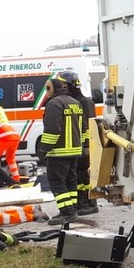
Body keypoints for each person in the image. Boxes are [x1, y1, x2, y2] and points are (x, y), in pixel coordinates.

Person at [40, 75, 84, 225]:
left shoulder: (54, 104)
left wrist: (43, 150)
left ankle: (66, 212)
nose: (46, 93)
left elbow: (52, 130)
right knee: (71, 181)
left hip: (59, 152)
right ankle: (72, 210)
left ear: (51, 88)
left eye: (47, 89)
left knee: (57, 181)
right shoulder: (76, 103)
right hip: (75, 151)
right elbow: (83, 128)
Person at [60, 70, 99, 216]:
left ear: (71, 85)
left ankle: (91, 203)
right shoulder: (73, 102)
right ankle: (81, 203)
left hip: (85, 146)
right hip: (77, 146)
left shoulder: (85, 102)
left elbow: (89, 125)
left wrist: (87, 146)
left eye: (64, 85)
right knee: (77, 176)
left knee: (84, 176)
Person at [0, 105, 22, 187]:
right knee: (10, 159)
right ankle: (16, 179)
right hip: (15, 135)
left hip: (5, 136)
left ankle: (10, 182)